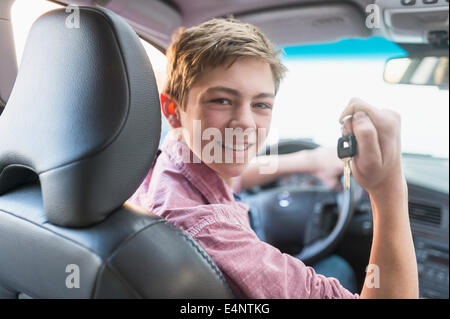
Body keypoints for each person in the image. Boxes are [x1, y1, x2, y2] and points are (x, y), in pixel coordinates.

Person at [128, 18, 418, 298]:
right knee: (339, 267)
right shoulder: (211, 232)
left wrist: (309, 161)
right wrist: (387, 189)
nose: (245, 123)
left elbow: (231, 176)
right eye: (222, 100)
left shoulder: (168, 161)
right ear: (172, 110)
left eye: (261, 104)